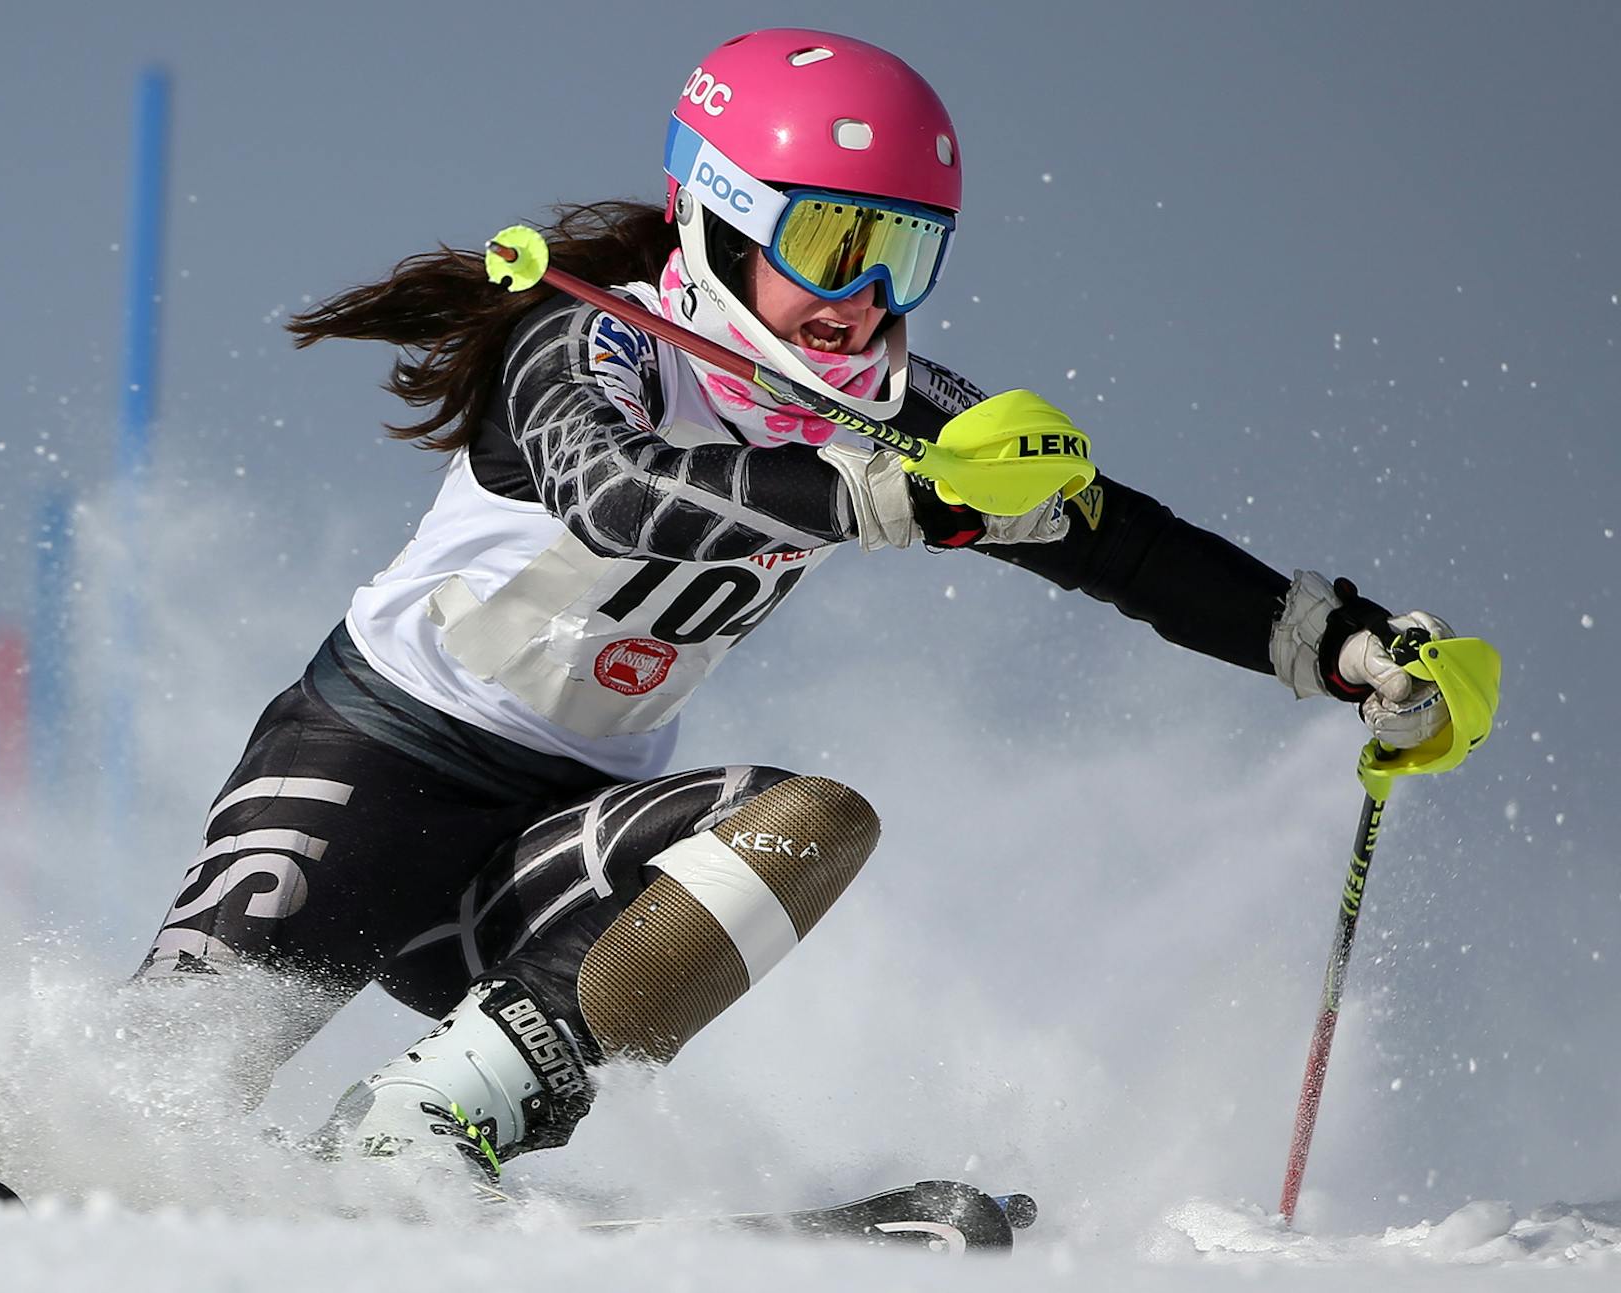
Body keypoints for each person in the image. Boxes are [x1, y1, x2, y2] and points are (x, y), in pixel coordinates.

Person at [132, 28, 1455, 1183]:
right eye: (832, 242)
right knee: (146, 1100)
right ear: (717, 215)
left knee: (805, 825)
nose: (863, 297)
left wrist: (1337, 645)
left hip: (549, 849)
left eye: (905, 252)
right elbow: (618, 491)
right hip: (375, 767)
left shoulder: (898, 406)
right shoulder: (595, 340)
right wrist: (865, 498)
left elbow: (1114, 539)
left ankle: (424, 1127)